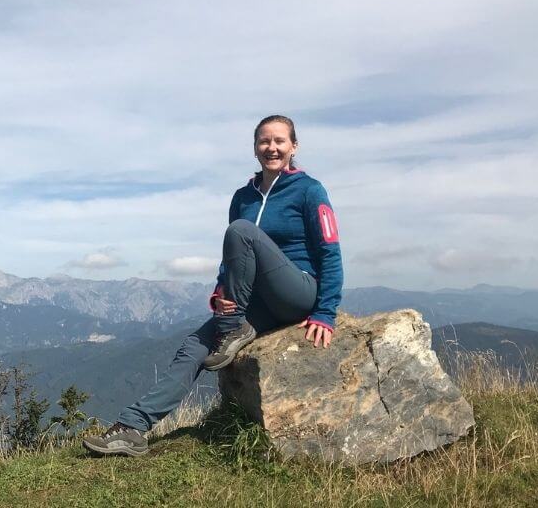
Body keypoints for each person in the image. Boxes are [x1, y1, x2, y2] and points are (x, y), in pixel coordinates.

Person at [82, 115, 343, 457]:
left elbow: (330, 251)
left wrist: (325, 311)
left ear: (294, 146)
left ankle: (232, 328)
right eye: (264, 141)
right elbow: (232, 261)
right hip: (258, 302)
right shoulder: (243, 197)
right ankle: (133, 427)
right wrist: (222, 294)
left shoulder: (309, 190)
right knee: (194, 345)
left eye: (280, 140)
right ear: (255, 148)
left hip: (299, 292)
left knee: (241, 231)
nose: (272, 147)